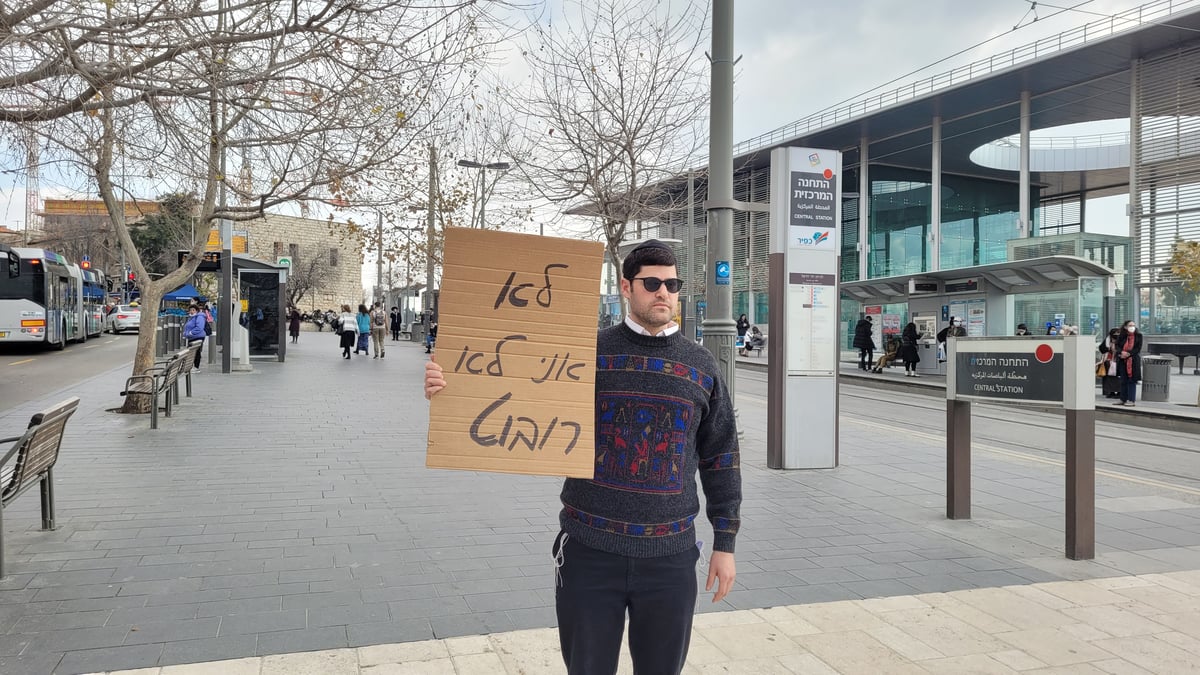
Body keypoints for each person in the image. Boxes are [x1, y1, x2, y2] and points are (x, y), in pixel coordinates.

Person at [423, 239, 741, 675]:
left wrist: (725, 542)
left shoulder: (701, 365)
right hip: (590, 552)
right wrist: (452, 388)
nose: (664, 292)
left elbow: (721, 455)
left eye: (672, 283)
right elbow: (518, 396)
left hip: (669, 556)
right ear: (627, 287)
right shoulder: (584, 355)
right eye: (652, 283)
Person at [1112, 319, 1143, 406]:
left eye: (1133, 325)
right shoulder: (1122, 335)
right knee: (1123, 380)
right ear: (1125, 327)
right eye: (1130, 325)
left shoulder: (1139, 336)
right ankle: (1122, 399)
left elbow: (1138, 348)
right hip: (1122, 360)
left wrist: (1128, 354)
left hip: (1133, 360)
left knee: (1131, 380)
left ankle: (1131, 400)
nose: (1132, 327)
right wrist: (1121, 352)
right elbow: (1117, 346)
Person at [1097, 327, 1123, 399]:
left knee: (1117, 377)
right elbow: (1101, 348)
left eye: (1118, 333)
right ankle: (1111, 392)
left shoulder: (1122, 340)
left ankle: (1119, 392)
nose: (1116, 335)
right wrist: (1108, 349)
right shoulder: (1107, 340)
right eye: (1115, 333)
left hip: (1118, 361)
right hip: (1108, 361)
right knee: (1109, 377)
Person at [183, 304, 207, 370]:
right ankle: (191, 366)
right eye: (190, 310)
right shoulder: (191, 318)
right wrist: (186, 333)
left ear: (197, 310)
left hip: (197, 336)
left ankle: (196, 367)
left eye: (193, 310)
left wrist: (191, 333)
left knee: (196, 352)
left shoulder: (199, 317)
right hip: (191, 337)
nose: (191, 311)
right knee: (191, 352)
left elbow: (200, 327)